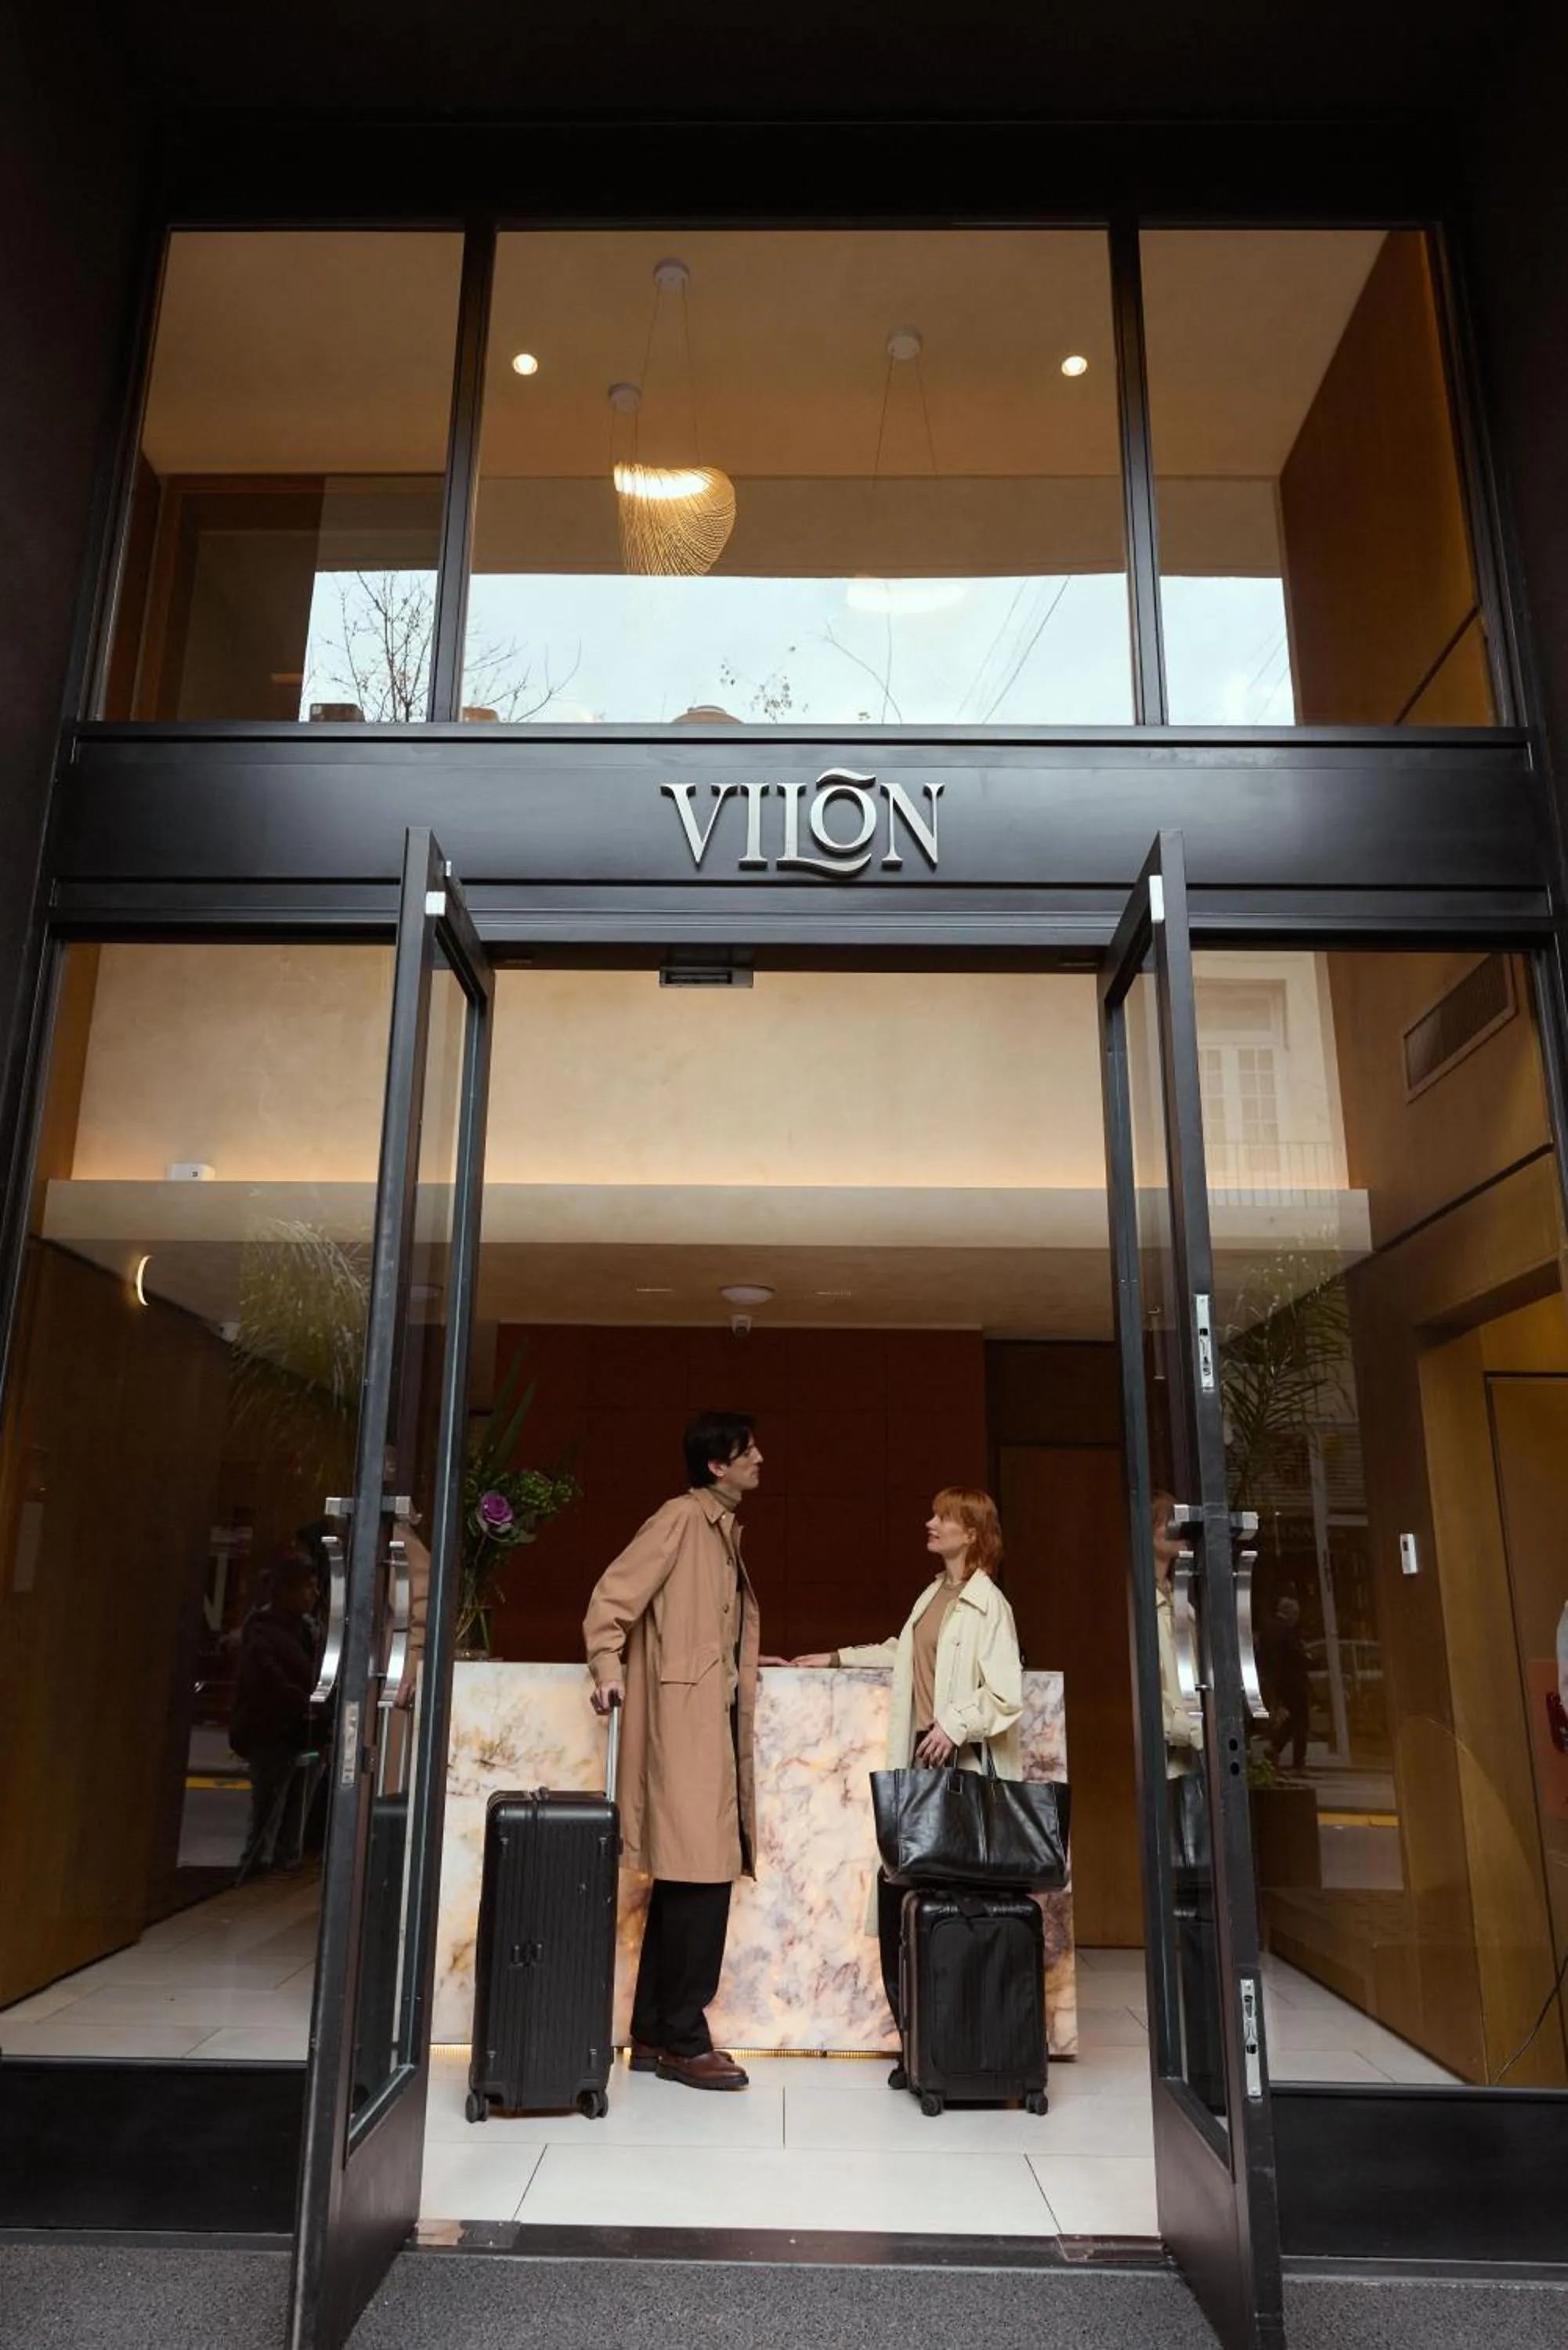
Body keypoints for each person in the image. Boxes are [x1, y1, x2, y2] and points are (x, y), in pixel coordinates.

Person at [794, 1486, 1023, 2080]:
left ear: (971, 1533)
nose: (930, 1524)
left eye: (943, 1518)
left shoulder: (987, 1605)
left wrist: (954, 1722)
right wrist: (836, 1658)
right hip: (924, 1778)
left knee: (942, 1909)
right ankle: (918, 2044)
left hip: (960, 1784)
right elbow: (904, 1655)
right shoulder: (935, 1596)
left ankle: (949, 2049)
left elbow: (1006, 1696)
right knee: (905, 1902)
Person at [583, 1410, 763, 2092]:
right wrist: (606, 1667)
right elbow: (610, 1601)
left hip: (703, 1725)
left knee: (688, 1879)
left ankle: (657, 2032)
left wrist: (743, 1662)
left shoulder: (717, 1530)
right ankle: (686, 2037)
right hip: (681, 1730)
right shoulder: (681, 1520)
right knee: (703, 1878)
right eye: (748, 1452)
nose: (760, 1460)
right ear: (717, 1465)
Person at [229, 1552, 321, 1882]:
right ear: (285, 1591)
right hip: (272, 1730)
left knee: (296, 1804)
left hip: (302, 1730)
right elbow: (269, 1681)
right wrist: (306, 1703)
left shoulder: (308, 1629)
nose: (314, 1595)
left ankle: (284, 1862)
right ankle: (255, 1867)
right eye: (307, 1588)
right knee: (268, 1805)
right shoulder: (263, 1631)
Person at [1259, 1592, 1313, 1770]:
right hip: (1293, 1682)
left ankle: (1275, 1747)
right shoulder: (1287, 1631)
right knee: (1301, 1722)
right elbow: (1294, 1655)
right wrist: (1309, 1659)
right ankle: (1298, 1762)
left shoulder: (1267, 1629)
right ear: (1291, 1614)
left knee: (1289, 1719)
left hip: (1276, 1681)